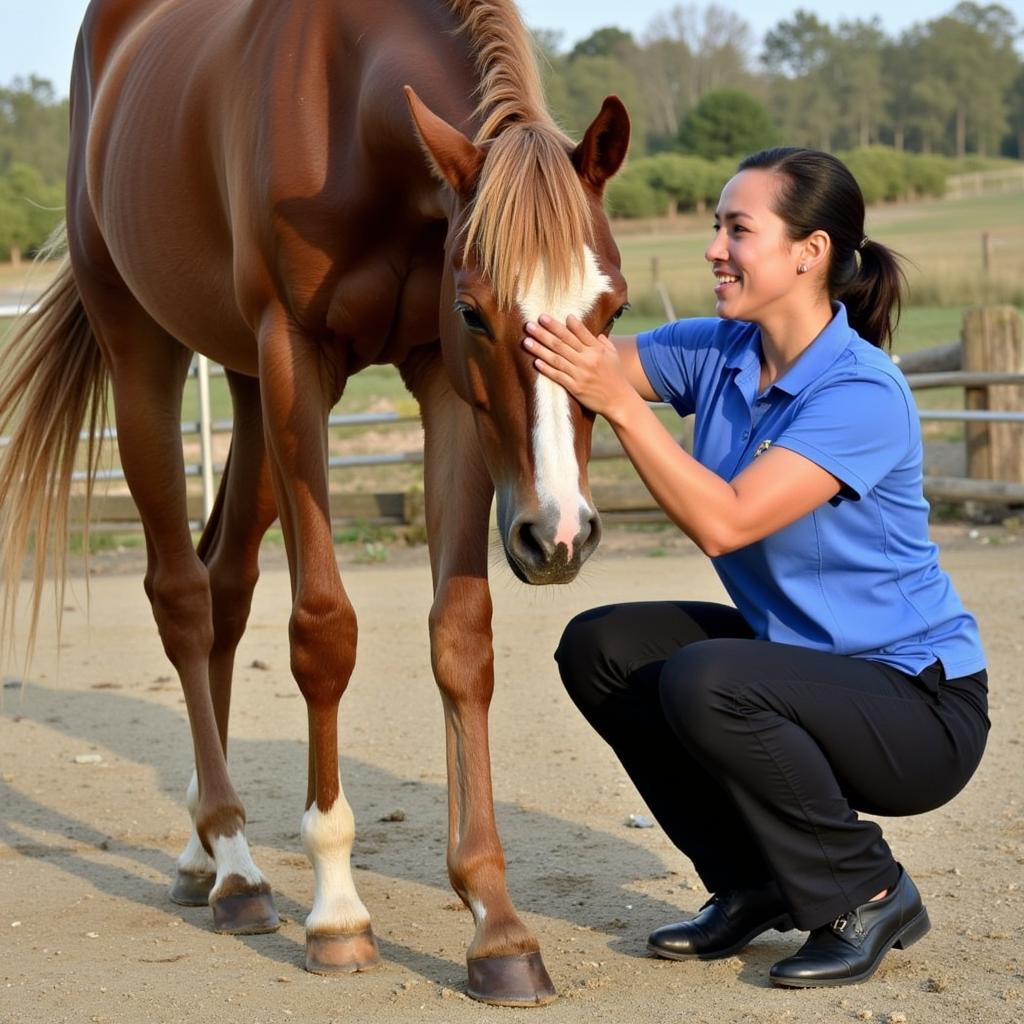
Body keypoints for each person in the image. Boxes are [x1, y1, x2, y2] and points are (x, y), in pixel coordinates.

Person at [522, 147, 989, 988]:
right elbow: (571, 355)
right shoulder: (720, 351)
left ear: (809, 252)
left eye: (739, 229)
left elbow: (725, 522)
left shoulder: (861, 392)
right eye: (715, 227)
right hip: (807, 673)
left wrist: (625, 408)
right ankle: (753, 884)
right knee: (603, 647)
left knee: (707, 680)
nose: (714, 248)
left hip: (919, 707)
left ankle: (869, 890)